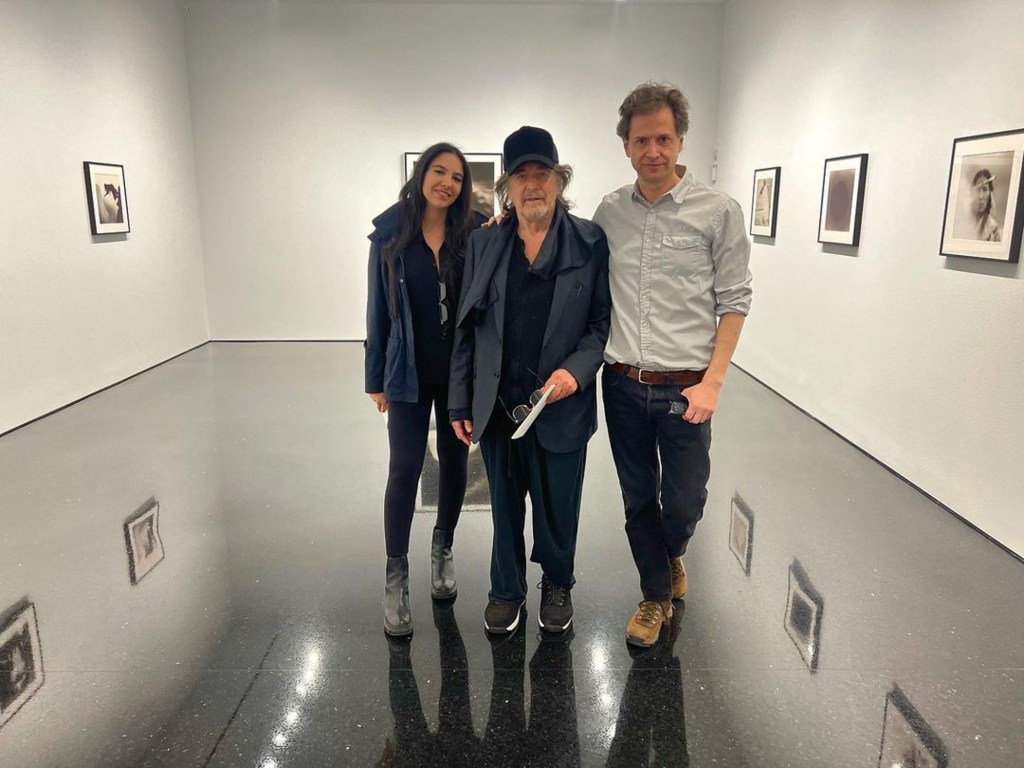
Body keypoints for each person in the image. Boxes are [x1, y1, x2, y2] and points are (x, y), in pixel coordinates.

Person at [593, 82, 752, 647]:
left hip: (688, 389)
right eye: (641, 140)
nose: (653, 150)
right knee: (638, 497)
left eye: (663, 138)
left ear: (680, 139)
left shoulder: (719, 211)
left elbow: (734, 302)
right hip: (622, 383)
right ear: (626, 146)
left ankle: (673, 551)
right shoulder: (609, 212)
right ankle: (655, 595)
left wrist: (713, 383)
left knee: (684, 500)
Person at [449, 126, 611, 635]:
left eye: (542, 174)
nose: (532, 185)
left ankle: (558, 582)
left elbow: (601, 325)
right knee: (503, 504)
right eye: (521, 176)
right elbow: (467, 326)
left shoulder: (589, 241)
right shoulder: (485, 242)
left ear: (559, 181)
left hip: (560, 404)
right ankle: (506, 589)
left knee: (559, 503)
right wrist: (459, 402)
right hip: (499, 404)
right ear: (507, 188)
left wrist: (575, 373)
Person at [365, 142, 485, 637]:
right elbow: (376, 307)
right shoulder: (391, 233)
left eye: (457, 177)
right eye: (440, 172)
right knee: (405, 469)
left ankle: (443, 550)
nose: (447, 183)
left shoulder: (475, 233)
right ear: (422, 174)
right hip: (408, 372)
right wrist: (375, 378)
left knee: (455, 463)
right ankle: (396, 575)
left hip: (459, 371)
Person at [967, 168, 1002, 242]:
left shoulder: (994, 228)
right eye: (977, 190)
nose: (981, 196)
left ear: (990, 193)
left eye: (985, 189)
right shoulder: (964, 221)